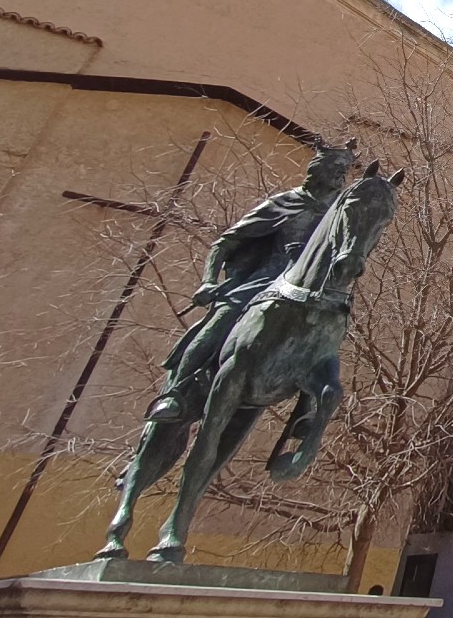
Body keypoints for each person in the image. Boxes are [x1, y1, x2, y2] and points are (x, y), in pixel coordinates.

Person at [146, 138, 358, 422]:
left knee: (329, 335)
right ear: (318, 171)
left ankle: (307, 412)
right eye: (336, 169)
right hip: (265, 283)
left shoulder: (338, 214)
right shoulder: (285, 203)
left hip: (312, 290)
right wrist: (208, 281)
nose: (341, 176)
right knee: (222, 319)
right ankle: (177, 393)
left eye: (344, 171)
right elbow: (226, 242)